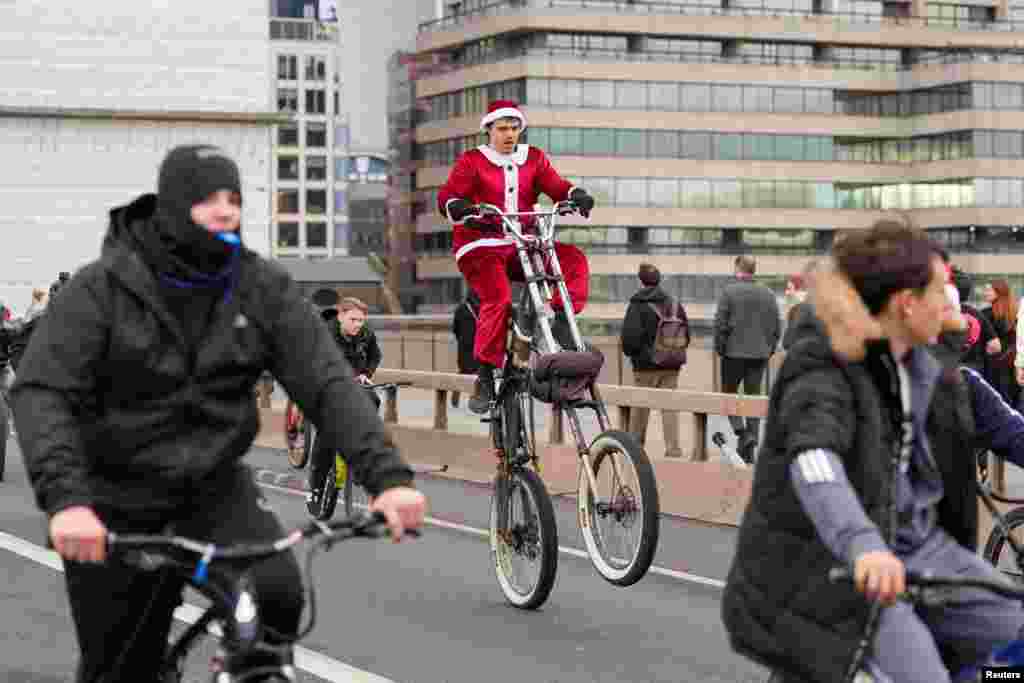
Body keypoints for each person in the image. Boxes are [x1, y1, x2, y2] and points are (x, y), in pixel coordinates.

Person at [10, 144, 426, 683]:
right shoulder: (99, 290)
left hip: (214, 488)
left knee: (277, 591)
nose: (226, 209)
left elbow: (326, 383)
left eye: (234, 198)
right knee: (120, 665)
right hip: (110, 497)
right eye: (209, 199)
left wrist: (388, 478)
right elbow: (42, 392)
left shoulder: (261, 287)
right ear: (172, 207)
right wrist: (66, 502)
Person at [722, 221, 1024, 683]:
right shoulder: (824, 366)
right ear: (907, 304)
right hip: (836, 574)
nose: (956, 310)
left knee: (1011, 648)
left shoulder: (935, 373)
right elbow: (815, 461)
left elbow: (1011, 432)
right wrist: (862, 546)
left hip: (924, 561)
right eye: (941, 293)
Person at [437, 99, 595, 414]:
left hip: (525, 241)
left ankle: (561, 318)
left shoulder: (533, 158)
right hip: (482, 244)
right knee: (498, 297)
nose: (509, 134)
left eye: (514, 128)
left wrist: (574, 194)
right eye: (502, 129)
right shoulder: (472, 161)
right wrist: (457, 206)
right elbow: (449, 195)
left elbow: (556, 185)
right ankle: (484, 373)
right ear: (489, 131)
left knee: (573, 259)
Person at [306, 296, 385, 513]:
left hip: (353, 386)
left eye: (361, 320)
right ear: (340, 316)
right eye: (353, 320)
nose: (358, 325)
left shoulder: (366, 334)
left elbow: (375, 355)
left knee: (371, 403)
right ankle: (316, 487)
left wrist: (365, 374)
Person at [712, 254, 781, 463]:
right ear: (754, 270)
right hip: (759, 355)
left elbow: (720, 325)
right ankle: (749, 450)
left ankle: (742, 433)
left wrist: (721, 349)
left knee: (729, 396)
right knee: (753, 399)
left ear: (737, 268)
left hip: (733, 354)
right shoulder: (768, 294)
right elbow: (776, 327)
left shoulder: (729, 292)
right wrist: (768, 350)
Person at [620, 263, 689, 459]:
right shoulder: (675, 304)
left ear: (640, 281)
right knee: (669, 408)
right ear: (659, 280)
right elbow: (687, 336)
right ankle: (673, 450)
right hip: (671, 366)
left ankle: (635, 450)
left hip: (644, 368)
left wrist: (637, 355)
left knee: (640, 409)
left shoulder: (637, 305)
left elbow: (629, 341)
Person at [980, 278, 1019, 406]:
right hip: (1012, 364)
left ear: (998, 292)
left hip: (994, 365)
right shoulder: (1016, 312)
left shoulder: (985, 314)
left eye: (987, 290)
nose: (984, 292)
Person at [451, 289, 481, 408]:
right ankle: (474, 398)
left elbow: (455, 329)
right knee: (478, 373)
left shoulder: (460, 309)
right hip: (478, 345)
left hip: (463, 346)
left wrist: (462, 338)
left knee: (463, 371)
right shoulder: (482, 309)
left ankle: (455, 396)